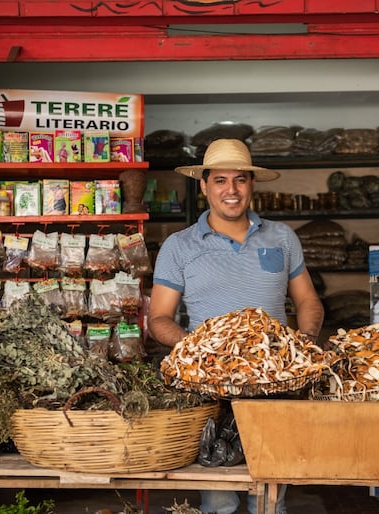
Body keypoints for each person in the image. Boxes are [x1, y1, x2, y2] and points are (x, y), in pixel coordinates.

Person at [148, 138, 325, 514]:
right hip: (211, 390)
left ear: (252, 185)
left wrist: (305, 344)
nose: (232, 190)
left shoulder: (282, 238)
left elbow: (308, 299)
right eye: (221, 180)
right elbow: (159, 319)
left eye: (240, 180)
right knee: (219, 500)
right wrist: (199, 348)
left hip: (275, 386)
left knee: (270, 497)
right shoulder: (179, 246)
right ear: (205, 186)